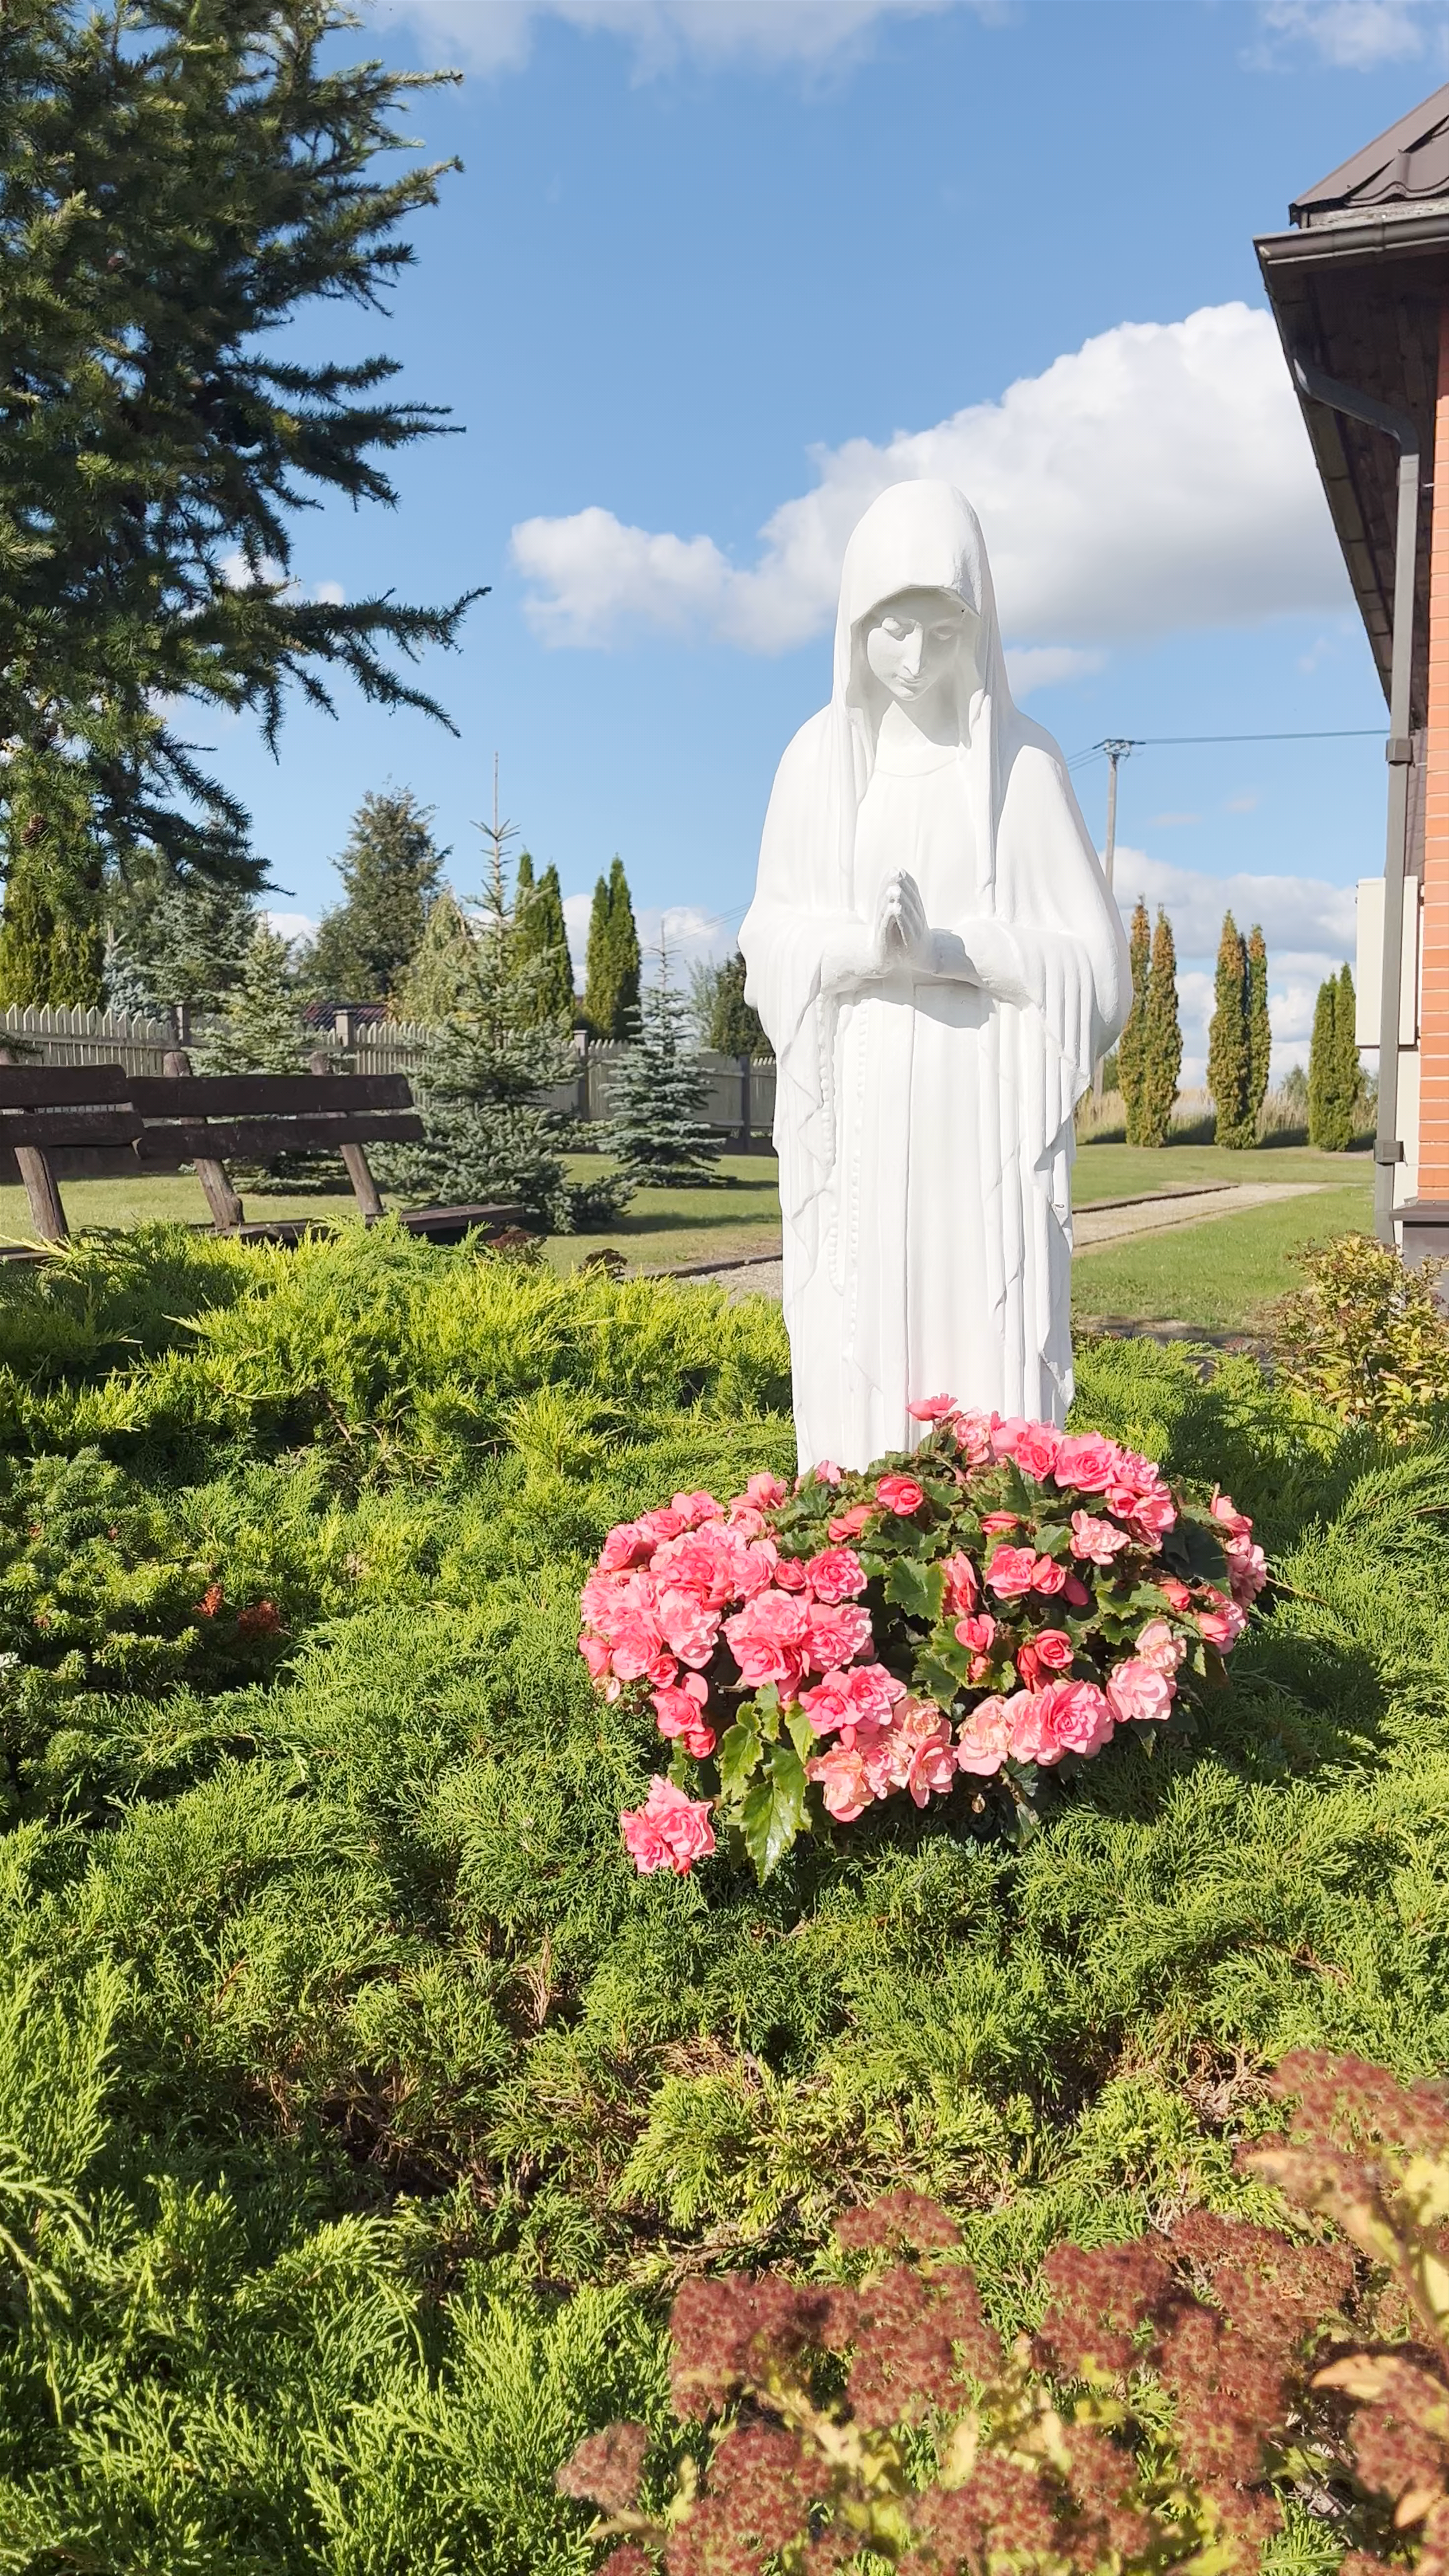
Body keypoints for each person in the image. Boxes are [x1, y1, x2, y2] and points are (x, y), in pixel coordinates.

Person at [740, 479, 1129, 1471]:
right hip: (860, 1102)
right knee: (858, 1316)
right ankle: (854, 1541)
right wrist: (861, 954)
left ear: (979, 624)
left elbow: (1099, 973)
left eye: (942, 631)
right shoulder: (815, 764)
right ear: (854, 626)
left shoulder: (1022, 771)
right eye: (891, 631)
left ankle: (1004, 1554)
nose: (914, 662)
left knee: (980, 1318)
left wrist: (955, 955)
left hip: (981, 1113)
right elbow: (769, 937)